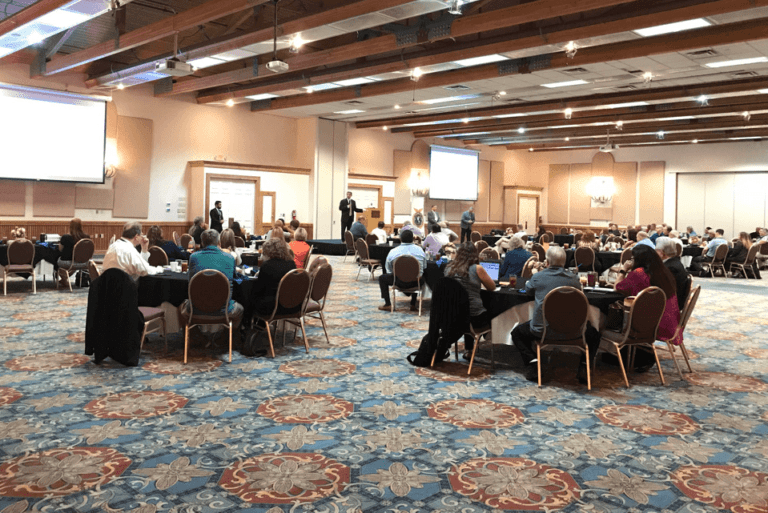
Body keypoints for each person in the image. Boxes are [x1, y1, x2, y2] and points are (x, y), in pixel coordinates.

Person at [511, 246, 598, 383]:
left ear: (547, 262)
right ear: (564, 263)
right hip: (573, 331)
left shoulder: (538, 277)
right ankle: (584, 366)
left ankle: (534, 363)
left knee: (517, 333)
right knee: (594, 333)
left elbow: (527, 290)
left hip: (543, 331)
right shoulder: (574, 279)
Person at [615, 244, 682, 351]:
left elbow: (617, 288)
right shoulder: (663, 271)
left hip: (650, 326)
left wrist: (623, 270)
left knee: (610, 311)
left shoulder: (638, 274)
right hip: (670, 323)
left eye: (632, 258)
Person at [443, 242, 495, 359]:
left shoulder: (449, 268)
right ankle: (490, 339)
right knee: (493, 311)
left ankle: (469, 350)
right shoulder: (477, 268)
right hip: (474, 319)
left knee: (466, 308)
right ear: (474, 255)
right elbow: (492, 287)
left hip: (453, 317)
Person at [181, 229, 243, 326]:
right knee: (241, 309)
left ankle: (193, 337)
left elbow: (190, 281)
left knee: (183, 306)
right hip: (224, 310)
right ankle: (229, 338)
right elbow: (235, 278)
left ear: (202, 243)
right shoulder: (229, 258)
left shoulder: (193, 257)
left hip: (196, 309)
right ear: (219, 242)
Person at [242, 237, 297, 335]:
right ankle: (258, 327)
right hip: (290, 305)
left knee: (248, 298)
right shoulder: (291, 264)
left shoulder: (267, 266)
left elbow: (258, 290)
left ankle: (247, 330)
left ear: (268, 251)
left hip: (271, 308)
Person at [377, 230, 427, 311]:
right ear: (413, 239)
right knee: (421, 275)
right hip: (416, 282)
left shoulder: (393, 251)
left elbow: (389, 270)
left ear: (400, 239)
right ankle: (413, 304)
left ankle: (388, 304)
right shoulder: (420, 250)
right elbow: (424, 267)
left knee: (382, 278)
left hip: (398, 281)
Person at [656, 236, 690, 311]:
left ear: (662, 252)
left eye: (656, 250)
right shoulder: (675, 262)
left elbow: (661, 290)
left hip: (671, 306)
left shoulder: (670, 268)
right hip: (674, 300)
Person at [56, 218, 90, 287]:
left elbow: (60, 249)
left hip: (68, 263)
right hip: (84, 263)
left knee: (57, 260)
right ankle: (64, 278)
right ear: (81, 226)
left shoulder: (66, 237)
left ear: (70, 226)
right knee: (75, 262)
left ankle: (64, 279)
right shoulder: (86, 237)